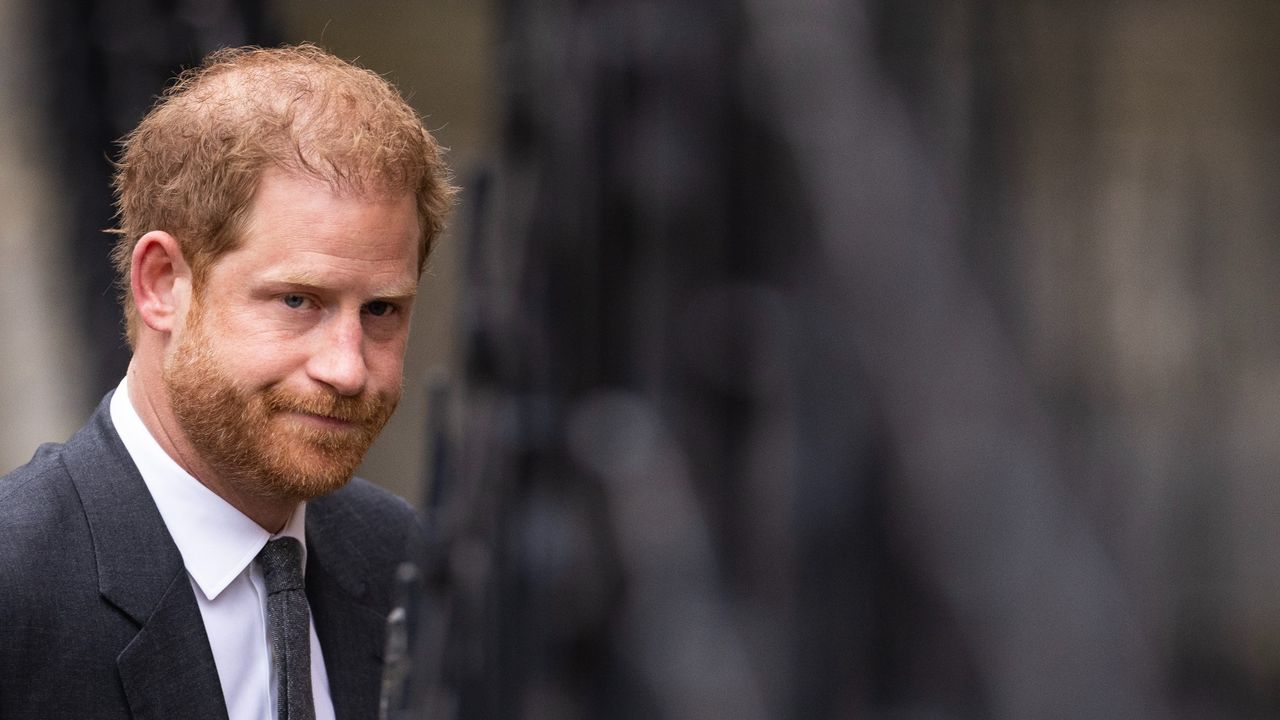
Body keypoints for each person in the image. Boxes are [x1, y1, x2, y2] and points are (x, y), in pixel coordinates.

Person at [0, 44, 454, 720]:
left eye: (382, 310)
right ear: (162, 286)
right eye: (298, 301)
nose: (349, 367)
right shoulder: (17, 586)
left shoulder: (402, 560)